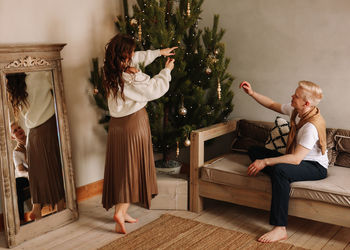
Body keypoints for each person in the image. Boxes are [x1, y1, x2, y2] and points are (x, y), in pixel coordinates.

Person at [102, 33, 176, 234]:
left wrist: (159, 53)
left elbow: (138, 57)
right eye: (131, 52)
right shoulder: (132, 74)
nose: (134, 55)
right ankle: (121, 211)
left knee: (121, 167)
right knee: (131, 169)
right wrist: (166, 70)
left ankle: (121, 211)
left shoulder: (110, 71)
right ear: (125, 55)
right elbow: (154, 89)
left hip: (116, 126)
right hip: (134, 123)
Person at [239, 80, 328, 243]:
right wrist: (252, 93)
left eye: (296, 95)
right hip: (297, 160)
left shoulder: (311, 127)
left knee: (279, 170)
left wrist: (265, 162)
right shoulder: (297, 111)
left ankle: (280, 228)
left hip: (315, 166)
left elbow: (296, 159)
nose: (292, 96)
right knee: (254, 150)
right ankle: (280, 178)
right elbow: (272, 104)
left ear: (306, 103)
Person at [6, 72, 65, 221]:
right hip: (48, 126)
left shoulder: (15, 88)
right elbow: (58, 86)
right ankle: (61, 207)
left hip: (32, 134)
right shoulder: (37, 75)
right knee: (54, 169)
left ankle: (36, 208)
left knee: (38, 173)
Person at [10, 122, 31, 224]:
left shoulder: (33, 139)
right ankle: (21, 220)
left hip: (39, 173)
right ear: (13, 137)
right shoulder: (16, 152)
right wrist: (28, 175)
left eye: (19, 128)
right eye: (15, 131)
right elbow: (20, 170)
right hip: (25, 176)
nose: (19, 130)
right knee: (16, 184)